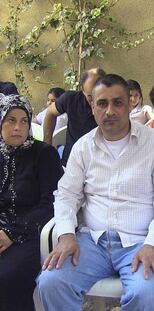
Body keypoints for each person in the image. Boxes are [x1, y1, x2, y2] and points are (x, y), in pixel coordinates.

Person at [37, 74, 154, 311]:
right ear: (92, 106)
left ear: (130, 104)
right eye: (102, 103)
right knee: (51, 283)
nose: (110, 111)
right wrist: (65, 235)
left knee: (147, 295)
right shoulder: (83, 147)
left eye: (117, 103)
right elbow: (66, 194)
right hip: (91, 242)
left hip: (139, 242)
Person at [0, 95, 63, 311]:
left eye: (24, 121)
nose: (18, 127)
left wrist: (10, 233)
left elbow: (51, 203)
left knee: (7, 276)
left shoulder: (44, 154)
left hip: (32, 233)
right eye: (10, 120)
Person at [43, 68, 105, 166]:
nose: (95, 100)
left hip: (100, 164)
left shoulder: (113, 108)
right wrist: (47, 145)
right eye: (90, 96)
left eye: (99, 94)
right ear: (82, 89)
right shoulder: (70, 99)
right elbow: (50, 112)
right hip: (70, 162)